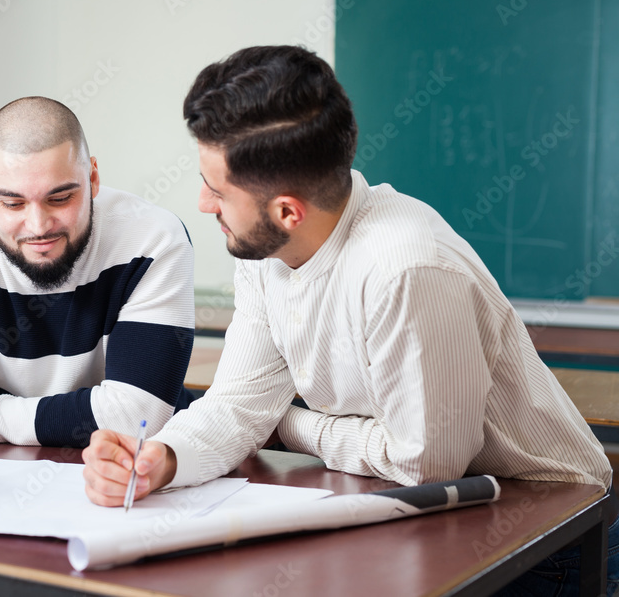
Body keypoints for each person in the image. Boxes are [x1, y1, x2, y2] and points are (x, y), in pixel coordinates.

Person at [81, 46, 616, 595]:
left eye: (217, 190)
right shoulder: (267, 250)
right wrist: (161, 461)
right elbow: (238, 405)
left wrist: (287, 424)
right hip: (433, 510)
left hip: (547, 529)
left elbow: (424, 465)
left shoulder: (406, 269)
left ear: (288, 211)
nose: (202, 203)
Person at [0, 96, 195, 499]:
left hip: (142, 481)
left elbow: (136, 416)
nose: (38, 226)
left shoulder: (152, 239)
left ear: (93, 179)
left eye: (60, 198)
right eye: (12, 203)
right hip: (10, 474)